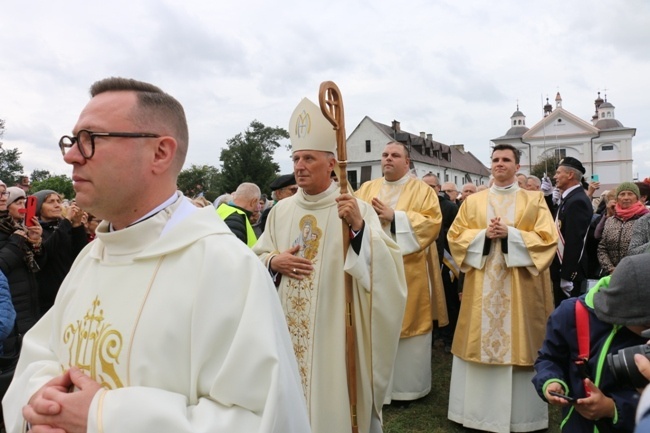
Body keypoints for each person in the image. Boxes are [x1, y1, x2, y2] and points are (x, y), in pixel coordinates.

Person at [2, 77, 310, 433]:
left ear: (160, 153)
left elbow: (263, 418)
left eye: (91, 140)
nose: (71, 155)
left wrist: (105, 417)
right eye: (72, 141)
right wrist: (42, 403)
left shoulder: (225, 267)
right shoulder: (91, 258)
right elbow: (42, 354)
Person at [254, 97, 407, 433]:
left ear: (332, 165)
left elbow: (388, 271)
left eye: (309, 158)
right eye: (296, 158)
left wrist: (358, 229)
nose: (299, 166)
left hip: (335, 332)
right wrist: (272, 261)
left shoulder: (356, 208)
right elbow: (257, 257)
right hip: (287, 330)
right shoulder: (280, 212)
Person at [447, 144, 558, 433]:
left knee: (520, 340)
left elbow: (548, 240)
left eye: (506, 160)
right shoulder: (473, 202)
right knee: (477, 340)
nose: (499, 164)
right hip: (482, 288)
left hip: (520, 290)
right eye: (495, 159)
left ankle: (523, 419)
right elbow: (455, 237)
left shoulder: (534, 200)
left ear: (517, 166)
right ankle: (475, 415)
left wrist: (511, 235)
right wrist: (484, 235)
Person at [356, 141, 445, 401]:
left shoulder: (422, 190)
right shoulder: (366, 189)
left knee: (410, 323)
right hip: (372, 268)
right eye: (384, 155)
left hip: (410, 269)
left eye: (395, 155)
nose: (388, 159)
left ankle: (408, 390)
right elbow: (351, 219)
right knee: (374, 325)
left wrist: (395, 216)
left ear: (407, 162)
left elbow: (432, 223)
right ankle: (375, 389)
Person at [533, 254, 650, 433]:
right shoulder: (570, 314)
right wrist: (550, 382)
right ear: (626, 311)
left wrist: (613, 408)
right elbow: (549, 358)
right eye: (646, 324)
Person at [32, 189, 88, 315]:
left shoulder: (63, 227)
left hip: (69, 289)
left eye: (58, 201)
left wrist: (77, 225)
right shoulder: (34, 231)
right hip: (47, 296)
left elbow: (80, 253)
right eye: (51, 202)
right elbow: (47, 251)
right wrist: (67, 220)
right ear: (39, 207)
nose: (57, 205)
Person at [549, 157, 593, 306]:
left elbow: (575, 241)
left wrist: (567, 276)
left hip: (569, 274)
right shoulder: (568, 199)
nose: (555, 177)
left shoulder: (577, 201)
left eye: (558, 173)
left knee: (569, 321)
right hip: (561, 270)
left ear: (570, 175)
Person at [423, 173, 459, 353]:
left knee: (448, 298)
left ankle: (448, 337)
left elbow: (455, 232)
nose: (428, 190)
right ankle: (431, 334)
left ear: (438, 188)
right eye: (425, 186)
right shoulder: (418, 205)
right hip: (424, 259)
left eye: (431, 186)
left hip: (446, 260)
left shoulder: (450, 207)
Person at [597, 182, 649, 275]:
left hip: (638, 273)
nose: (626, 197)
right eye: (622, 194)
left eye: (630, 194)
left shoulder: (645, 219)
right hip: (612, 274)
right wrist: (610, 269)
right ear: (617, 198)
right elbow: (602, 248)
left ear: (637, 197)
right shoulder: (611, 220)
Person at [216, 182, 261, 247]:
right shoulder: (236, 220)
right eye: (257, 202)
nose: (257, 206)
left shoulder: (223, 210)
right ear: (253, 201)